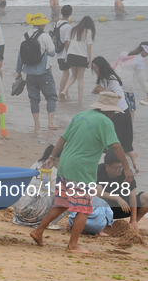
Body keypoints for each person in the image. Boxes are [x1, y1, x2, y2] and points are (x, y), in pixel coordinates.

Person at [31, 92, 133, 254]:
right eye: (113, 111)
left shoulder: (80, 116)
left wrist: (52, 158)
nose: (113, 114)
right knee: (84, 207)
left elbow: (62, 139)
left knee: (63, 203)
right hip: (81, 170)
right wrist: (127, 169)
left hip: (65, 165)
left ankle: (38, 231)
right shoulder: (106, 122)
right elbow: (116, 146)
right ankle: (73, 245)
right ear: (109, 110)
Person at [91, 56, 138, 172]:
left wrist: (102, 91)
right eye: (94, 69)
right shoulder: (101, 79)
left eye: (96, 68)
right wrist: (99, 92)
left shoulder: (111, 78)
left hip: (119, 112)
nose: (95, 71)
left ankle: (119, 165)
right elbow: (107, 95)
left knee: (113, 141)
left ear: (101, 67)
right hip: (110, 112)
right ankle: (131, 155)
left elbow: (119, 95)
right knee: (112, 140)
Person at [15, 13, 59, 130]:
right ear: (42, 24)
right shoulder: (45, 36)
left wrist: (18, 71)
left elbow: (20, 56)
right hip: (44, 72)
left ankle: (36, 123)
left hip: (29, 73)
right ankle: (50, 122)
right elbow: (52, 53)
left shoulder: (24, 36)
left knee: (34, 99)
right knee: (51, 96)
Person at [96, 150, 148, 229]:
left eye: (121, 166)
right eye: (117, 168)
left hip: (125, 207)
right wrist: (117, 198)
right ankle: (104, 225)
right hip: (107, 208)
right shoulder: (99, 170)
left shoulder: (126, 172)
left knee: (146, 197)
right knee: (94, 199)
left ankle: (132, 224)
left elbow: (132, 197)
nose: (120, 170)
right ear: (107, 166)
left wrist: (133, 219)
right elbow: (99, 193)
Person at [61, 16, 95, 102]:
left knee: (74, 75)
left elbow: (68, 42)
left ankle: (64, 91)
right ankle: (80, 99)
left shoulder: (73, 30)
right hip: (81, 56)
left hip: (71, 55)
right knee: (80, 78)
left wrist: (68, 55)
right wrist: (90, 60)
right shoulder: (88, 32)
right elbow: (89, 46)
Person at [112, 42, 148, 119]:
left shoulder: (123, 53)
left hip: (115, 84)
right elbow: (142, 79)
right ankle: (130, 130)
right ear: (144, 50)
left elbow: (113, 66)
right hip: (126, 88)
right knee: (131, 109)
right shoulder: (139, 59)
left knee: (116, 109)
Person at [55, 5, 73, 99]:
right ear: (70, 13)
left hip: (58, 52)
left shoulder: (57, 23)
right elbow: (66, 41)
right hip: (64, 54)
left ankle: (66, 93)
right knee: (66, 73)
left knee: (66, 73)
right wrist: (69, 54)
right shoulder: (68, 26)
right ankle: (60, 93)